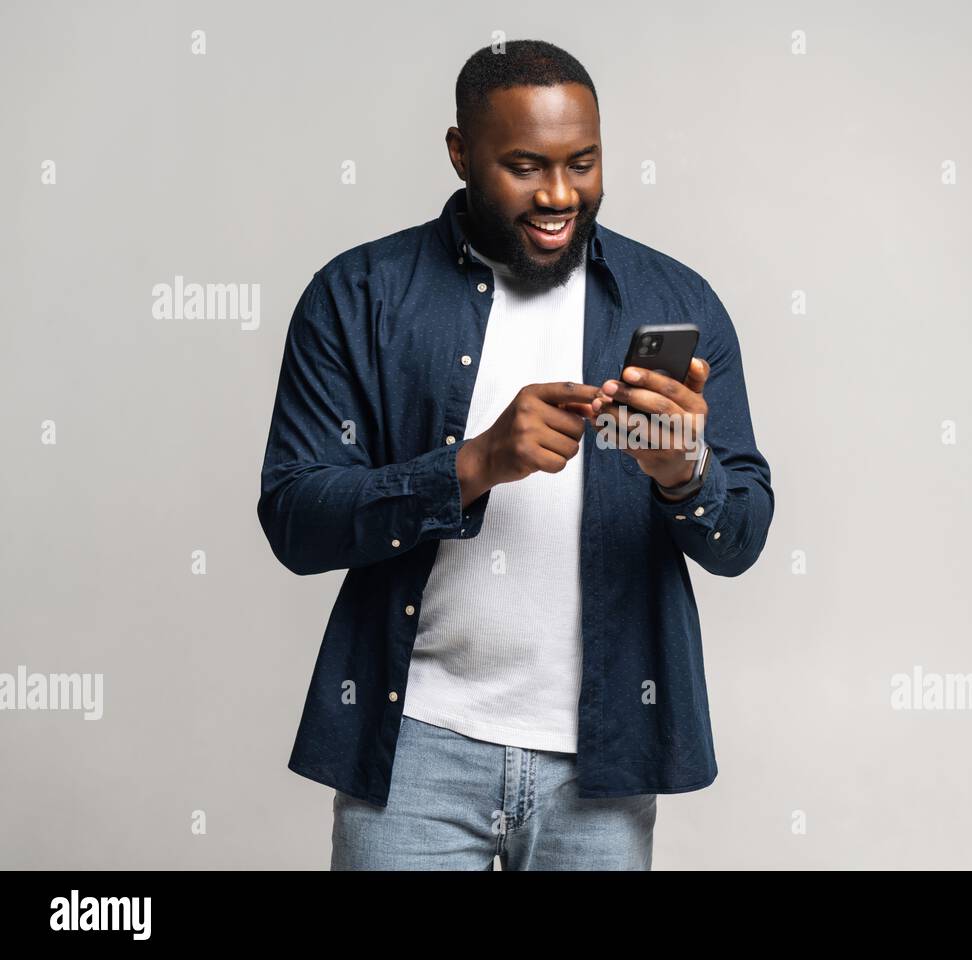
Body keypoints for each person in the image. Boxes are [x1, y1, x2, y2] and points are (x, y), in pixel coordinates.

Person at [256, 39, 774, 870]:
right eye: (526, 166)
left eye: (584, 162)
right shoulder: (359, 295)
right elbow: (293, 517)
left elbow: (742, 536)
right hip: (416, 749)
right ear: (460, 153)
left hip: (601, 759)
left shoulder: (675, 300)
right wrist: (473, 464)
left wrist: (685, 476)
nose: (560, 194)